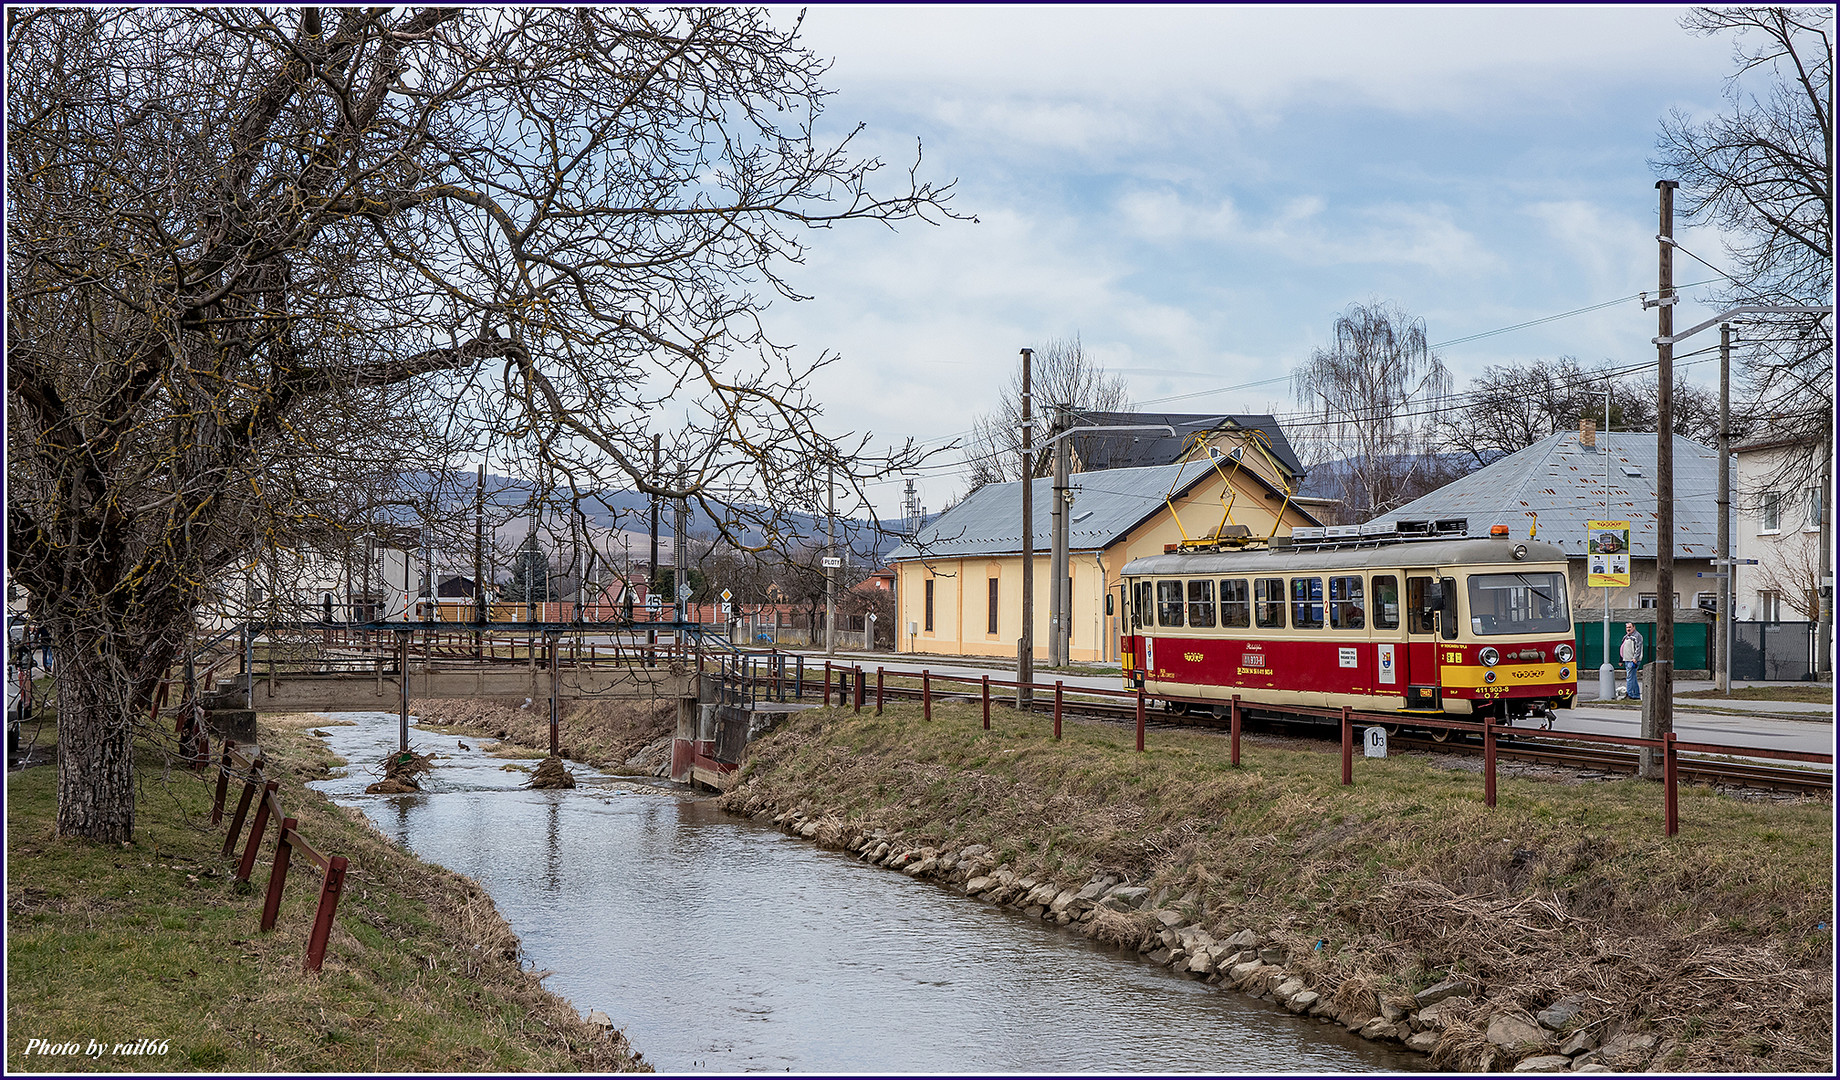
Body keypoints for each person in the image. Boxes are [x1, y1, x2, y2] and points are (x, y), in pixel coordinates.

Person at [1619, 622, 1644, 701]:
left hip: (1632, 660)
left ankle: (1630, 694)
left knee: (1629, 677)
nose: (1628, 629)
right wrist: (1621, 660)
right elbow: (1622, 648)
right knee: (1632, 677)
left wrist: (1635, 658)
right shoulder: (1626, 637)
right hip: (1626, 659)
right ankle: (1635, 695)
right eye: (1627, 628)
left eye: (1630, 627)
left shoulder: (1637, 636)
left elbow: (1638, 648)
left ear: (1634, 627)